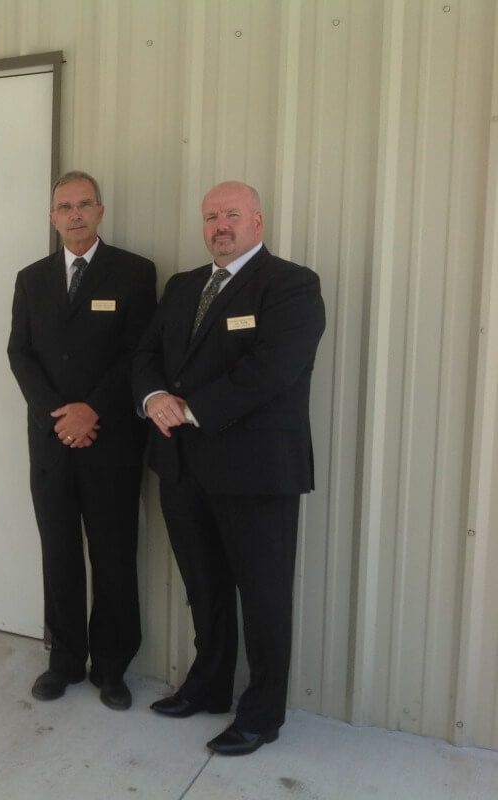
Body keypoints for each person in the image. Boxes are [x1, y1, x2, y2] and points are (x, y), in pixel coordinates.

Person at [132, 181, 325, 755]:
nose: (220, 225)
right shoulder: (184, 285)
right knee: (204, 586)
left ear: (258, 221)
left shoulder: (291, 285)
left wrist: (188, 408)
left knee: (263, 595)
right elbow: (145, 355)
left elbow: (273, 370)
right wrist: (151, 399)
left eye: (232, 215)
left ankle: (262, 714)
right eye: (211, 216)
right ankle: (209, 686)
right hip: (183, 467)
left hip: (256, 472)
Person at [8, 170, 157, 710]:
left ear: (101, 210)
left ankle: (112, 667)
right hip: (51, 443)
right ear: (53, 218)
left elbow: (138, 354)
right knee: (60, 552)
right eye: (64, 207)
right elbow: (19, 354)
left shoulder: (135, 273)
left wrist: (93, 409)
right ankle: (64, 659)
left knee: (114, 554)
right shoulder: (31, 278)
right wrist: (58, 415)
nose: (74, 214)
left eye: (84, 205)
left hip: (111, 441)